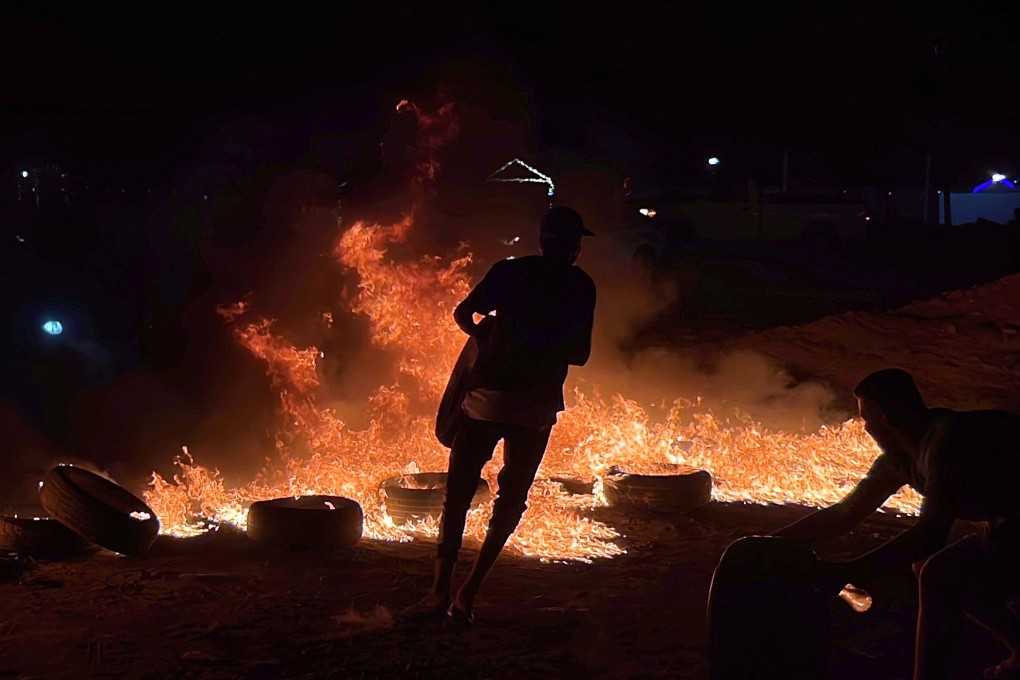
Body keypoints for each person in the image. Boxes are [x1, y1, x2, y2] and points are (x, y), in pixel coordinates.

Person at [406, 206, 596, 624]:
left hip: (486, 399)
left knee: (457, 496)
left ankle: (438, 590)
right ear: (575, 248)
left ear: (542, 241)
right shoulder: (582, 286)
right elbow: (580, 354)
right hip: (537, 407)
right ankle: (468, 594)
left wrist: (487, 337)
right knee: (510, 503)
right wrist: (546, 346)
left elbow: (462, 314)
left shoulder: (510, 273)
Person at [774, 368, 1020, 680]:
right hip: (1005, 517)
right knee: (931, 567)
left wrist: (846, 572)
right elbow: (845, 514)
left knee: (938, 572)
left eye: (867, 419)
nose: (866, 428)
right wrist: (769, 541)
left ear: (887, 418)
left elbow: (929, 535)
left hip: (1013, 518)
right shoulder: (902, 457)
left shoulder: (945, 443)